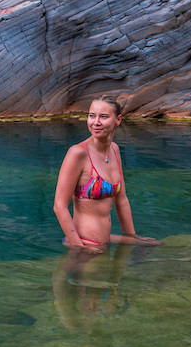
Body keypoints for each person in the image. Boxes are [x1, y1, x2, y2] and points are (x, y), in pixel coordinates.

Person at [53, 94, 160, 252]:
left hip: (106, 241)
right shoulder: (78, 153)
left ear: (118, 120)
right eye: (91, 116)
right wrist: (79, 248)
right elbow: (59, 206)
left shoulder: (115, 150)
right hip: (84, 244)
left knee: (156, 245)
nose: (96, 122)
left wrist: (132, 237)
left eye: (103, 117)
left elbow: (121, 200)